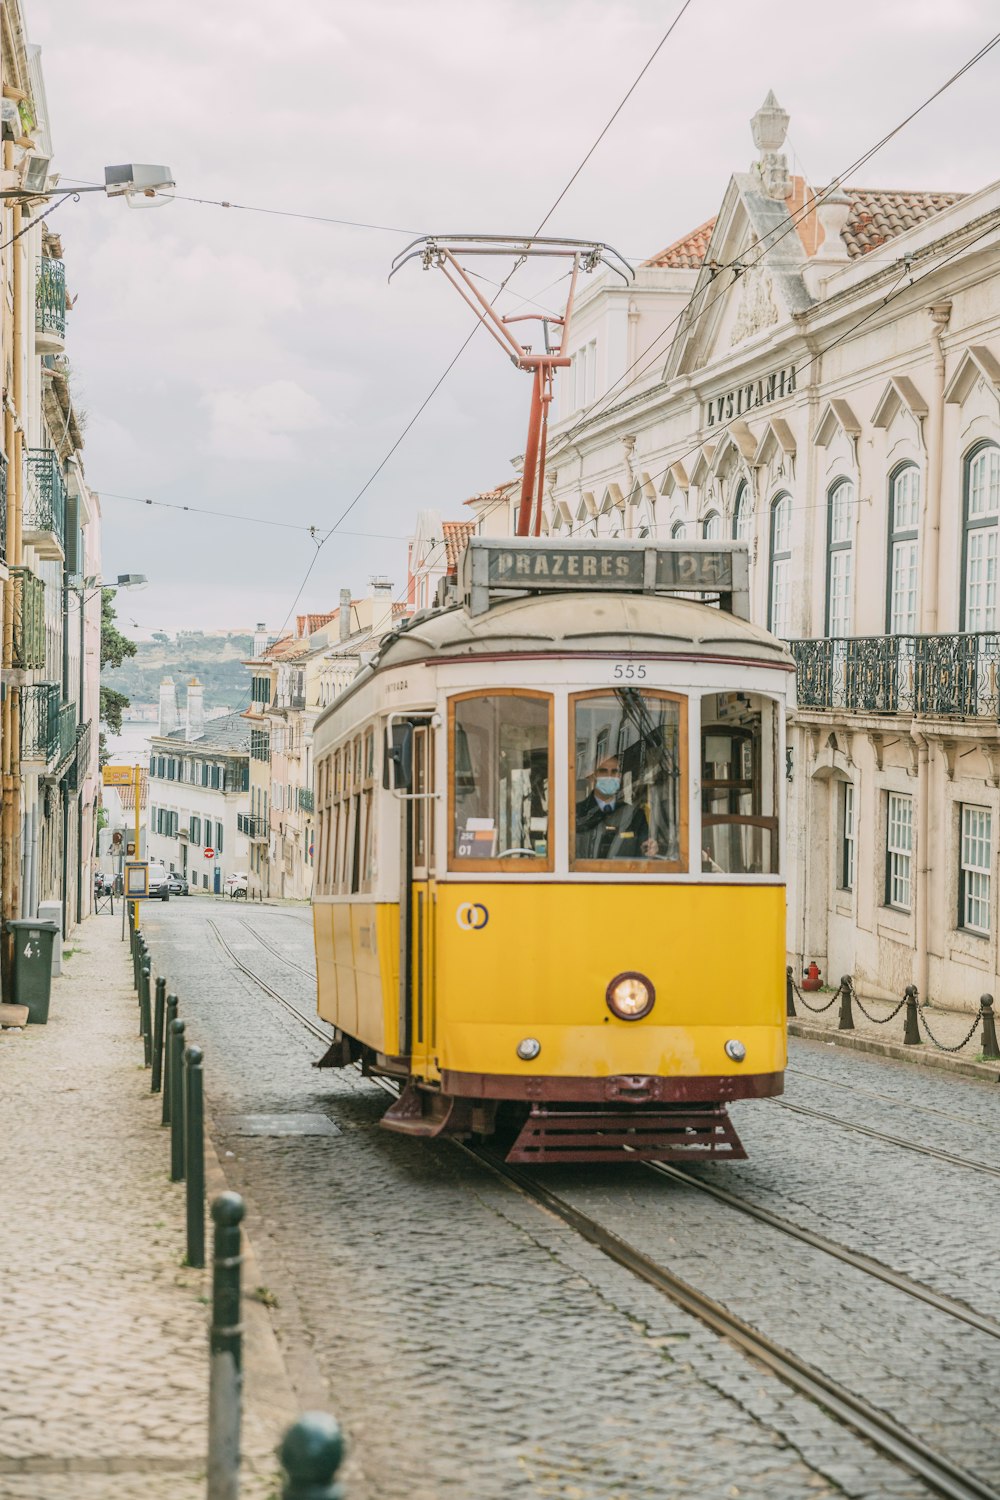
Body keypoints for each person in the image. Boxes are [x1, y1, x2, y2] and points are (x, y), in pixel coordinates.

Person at [575, 756, 658, 859]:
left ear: (620, 776)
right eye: (603, 771)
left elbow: (645, 851)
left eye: (614, 771)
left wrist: (650, 849)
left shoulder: (636, 815)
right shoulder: (576, 812)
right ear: (594, 776)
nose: (609, 776)